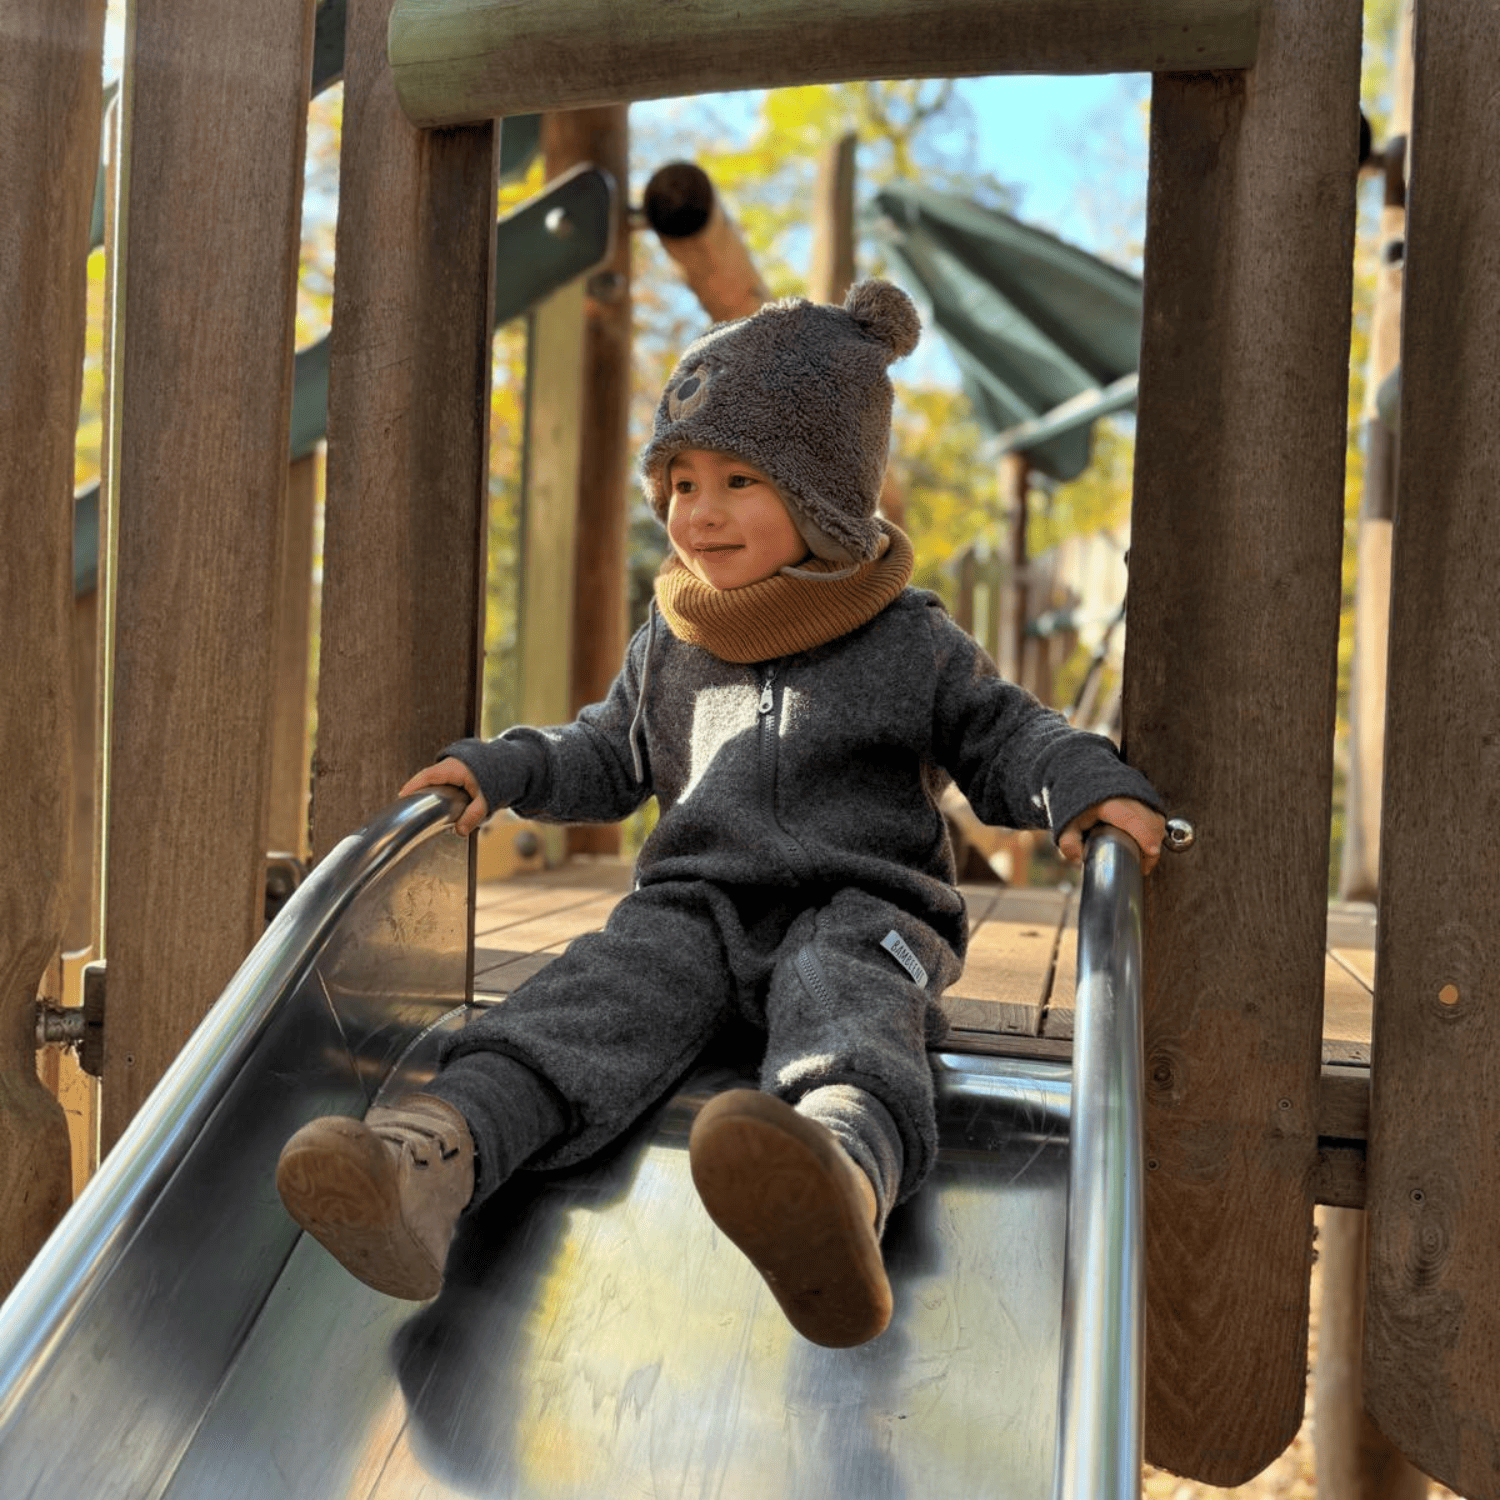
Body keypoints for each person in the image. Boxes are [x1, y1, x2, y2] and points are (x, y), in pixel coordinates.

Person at [277, 280, 1166, 1349]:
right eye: (681, 480)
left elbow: (1002, 733)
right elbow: (607, 753)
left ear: (827, 492)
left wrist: (1078, 778)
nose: (698, 511)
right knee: (593, 993)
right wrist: (507, 767)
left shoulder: (907, 639)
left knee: (850, 1000)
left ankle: (835, 1179)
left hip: (862, 902)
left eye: (740, 480)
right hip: (695, 907)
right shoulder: (672, 639)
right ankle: (431, 1159)